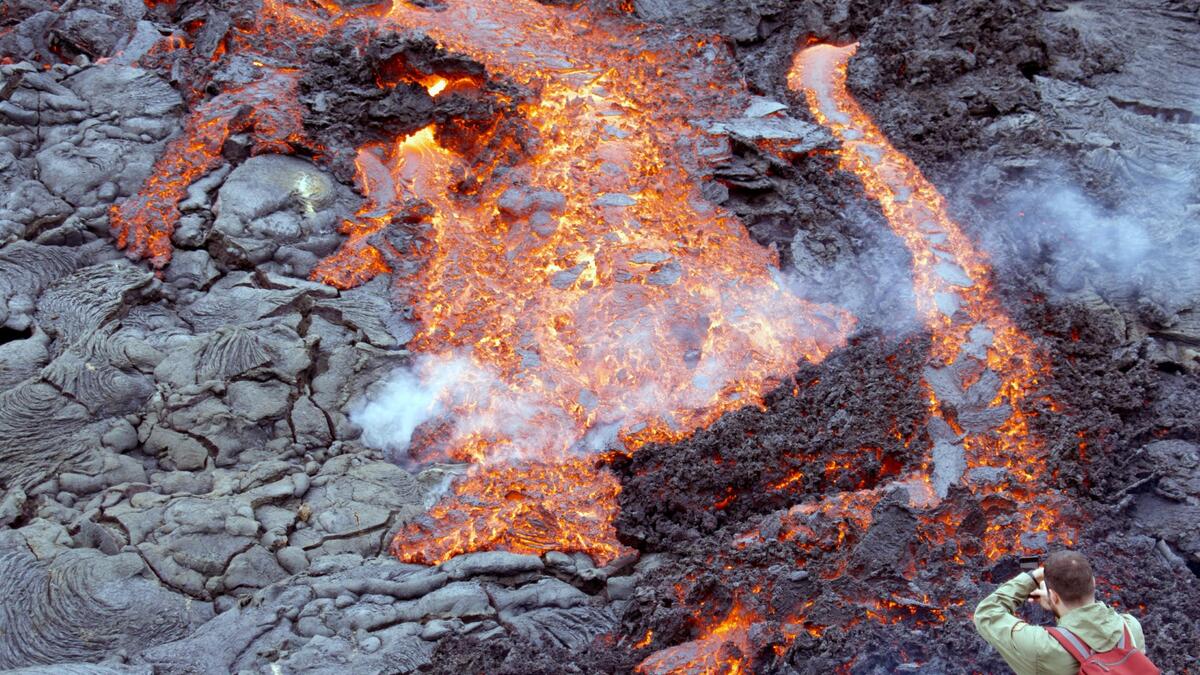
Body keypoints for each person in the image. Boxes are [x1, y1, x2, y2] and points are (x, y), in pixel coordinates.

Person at [973, 550, 1147, 674]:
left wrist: (1033, 577)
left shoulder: (1040, 648)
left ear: (1054, 596)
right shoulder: (1131, 627)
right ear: (1093, 583)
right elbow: (1098, 625)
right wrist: (1058, 606)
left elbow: (987, 613)